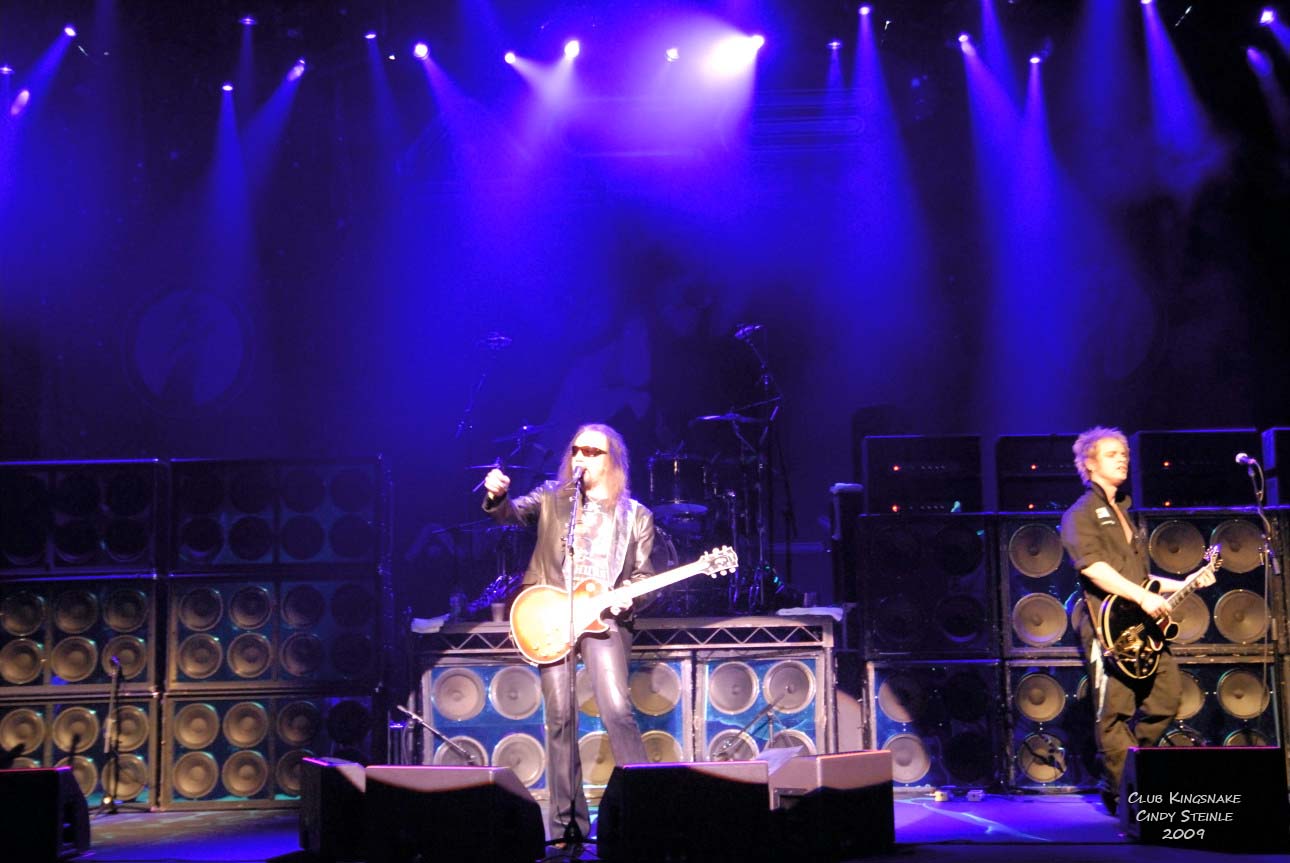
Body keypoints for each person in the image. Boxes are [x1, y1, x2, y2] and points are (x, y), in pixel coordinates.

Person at [483, 423, 653, 846]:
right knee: (560, 718)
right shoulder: (552, 497)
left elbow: (644, 578)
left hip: (603, 619)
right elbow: (509, 514)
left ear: (612, 460)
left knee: (616, 709)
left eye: (593, 451)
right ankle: (566, 827)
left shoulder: (636, 516)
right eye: (577, 449)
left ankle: (643, 811)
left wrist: (631, 598)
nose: (581, 457)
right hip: (552, 615)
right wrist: (496, 495)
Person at [1060, 426, 1214, 816]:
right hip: (1110, 628)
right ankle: (1120, 791)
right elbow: (1093, 568)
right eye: (1112, 453)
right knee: (1115, 710)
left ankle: (1134, 770)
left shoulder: (1125, 513)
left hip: (1143, 626)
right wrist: (1143, 596)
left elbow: (1143, 579)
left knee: (1167, 698)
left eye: (1125, 453)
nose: (1122, 459)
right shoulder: (1081, 513)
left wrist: (1188, 581)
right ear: (1089, 463)